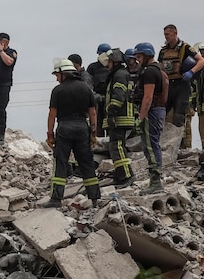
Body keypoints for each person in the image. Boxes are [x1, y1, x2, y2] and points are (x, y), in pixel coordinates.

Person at [43, 60, 100, 207]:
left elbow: (52, 115)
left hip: (64, 128)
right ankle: (95, 198)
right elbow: (93, 112)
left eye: (57, 75)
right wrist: (93, 133)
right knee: (86, 163)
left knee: (61, 162)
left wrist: (50, 135)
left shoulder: (58, 90)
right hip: (82, 128)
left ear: (63, 74)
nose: (56, 78)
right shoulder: (85, 88)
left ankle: (56, 199)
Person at [158, 24, 204, 149]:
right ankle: (166, 146)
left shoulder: (185, 47)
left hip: (182, 84)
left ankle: (182, 148)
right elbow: (160, 66)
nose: (166, 37)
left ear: (175, 33)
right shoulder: (164, 50)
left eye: (167, 34)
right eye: (164, 35)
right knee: (163, 115)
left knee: (179, 116)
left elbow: (202, 61)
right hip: (168, 85)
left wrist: (192, 71)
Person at [133, 42, 169, 194]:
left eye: (139, 56)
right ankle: (155, 180)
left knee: (151, 146)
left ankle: (156, 182)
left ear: (147, 55)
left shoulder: (149, 72)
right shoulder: (161, 72)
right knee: (153, 144)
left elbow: (147, 97)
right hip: (159, 110)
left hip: (151, 111)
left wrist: (140, 117)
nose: (137, 60)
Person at [103, 48, 135, 188]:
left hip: (120, 117)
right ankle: (120, 174)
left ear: (114, 61)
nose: (107, 64)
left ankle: (127, 175)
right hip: (120, 117)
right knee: (115, 147)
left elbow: (118, 96)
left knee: (118, 147)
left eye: (109, 61)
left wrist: (111, 112)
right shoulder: (119, 73)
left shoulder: (119, 75)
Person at [87, 43, 112, 137]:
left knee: (109, 123)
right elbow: (89, 84)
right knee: (98, 123)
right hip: (97, 100)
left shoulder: (111, 66)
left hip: (109, 100)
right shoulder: (92, 67)